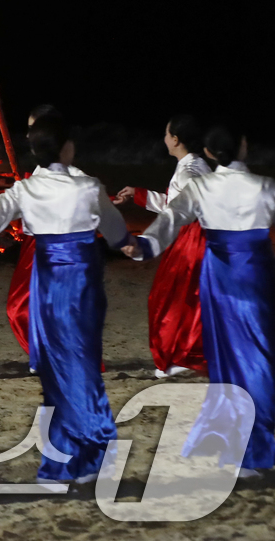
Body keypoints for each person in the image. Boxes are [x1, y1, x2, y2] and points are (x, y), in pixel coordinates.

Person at [0, 116, 131, 490]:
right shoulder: (89, 186)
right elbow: (118, 233)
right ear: (68, 147)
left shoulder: (25, 190)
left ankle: (75, 459)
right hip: (82, 286)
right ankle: (89, 454)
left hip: (47, 282)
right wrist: (135, 246)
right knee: (81, 366)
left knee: (58, 373)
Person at [126, 125, 274, 476]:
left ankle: (241, 440)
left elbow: (171, 218)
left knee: (226, 355)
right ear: (243, 145)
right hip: (256, 274)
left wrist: (143, 246)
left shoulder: (200, 186)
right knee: (260, 349)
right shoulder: (266, 186)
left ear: (208, 153)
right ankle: (256, 436)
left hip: (219, 275)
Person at [115, 115, 210, 378]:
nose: (165, 139)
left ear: (176, 139)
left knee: (169, 300)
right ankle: (183, 356)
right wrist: (139, 194)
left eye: (167, 134)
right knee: (184, 299)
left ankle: (182, 358)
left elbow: (183, 209)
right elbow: (174, 203)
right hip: (195, 239)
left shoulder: (190, 171)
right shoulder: (194, 165)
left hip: (193, 241)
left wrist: (145, 243)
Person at [4, 104, 90, 368]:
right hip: (35, 247)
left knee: (38, 307)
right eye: (29, 130)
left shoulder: (76, 178)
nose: (30, 135)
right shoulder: (34, 178)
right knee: (24, 307)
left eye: (35, 129)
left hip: (56, 247)